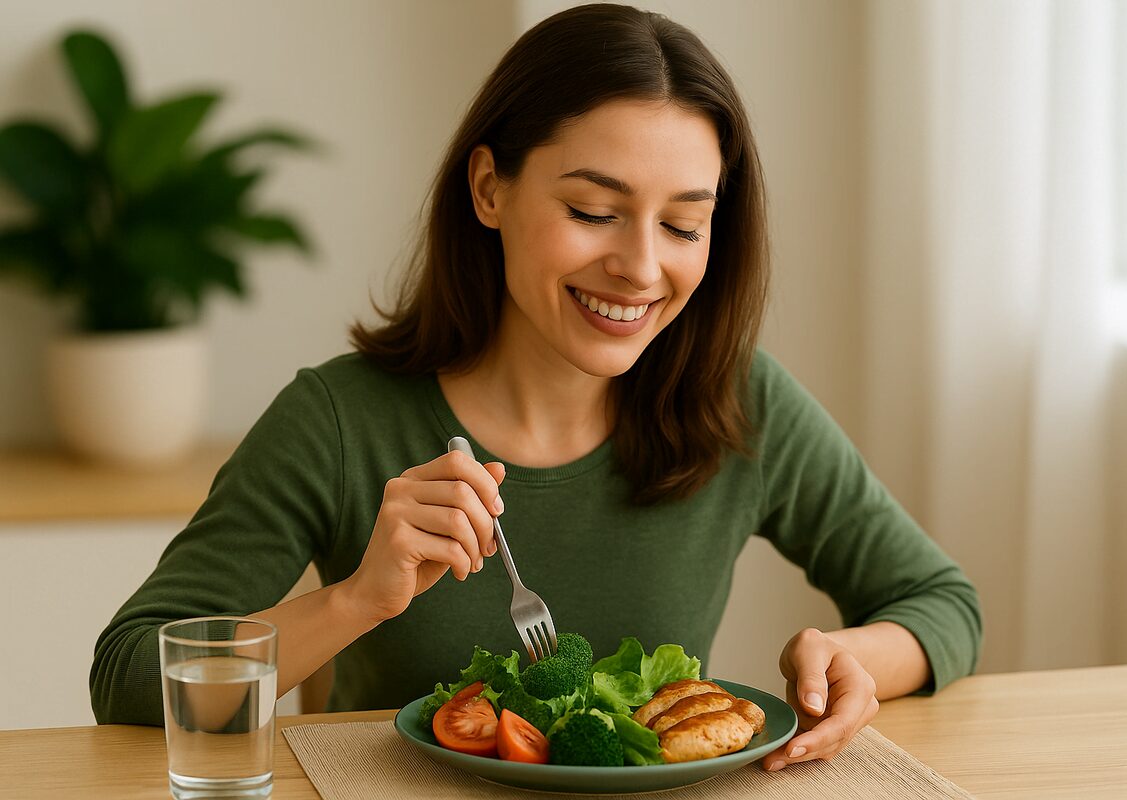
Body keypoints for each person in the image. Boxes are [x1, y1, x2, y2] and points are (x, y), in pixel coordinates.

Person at [91, 4, 981, 771]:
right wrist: (355, 599)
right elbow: (129, 675)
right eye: (593, 212)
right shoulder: (338, 420)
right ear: (489, 189)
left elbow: (942, 604)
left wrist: (851, 656)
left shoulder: (741, 401)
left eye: (683, 224)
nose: (639, 267)